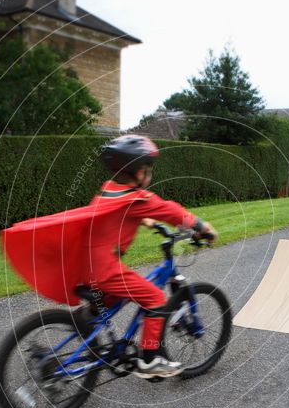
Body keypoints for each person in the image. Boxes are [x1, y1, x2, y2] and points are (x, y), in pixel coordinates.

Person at [82, 135, 217, 378]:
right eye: (148, 170)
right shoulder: (138, 198)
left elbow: (112, 213)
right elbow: (172, 211)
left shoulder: (108, 190)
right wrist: (203, 227)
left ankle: (83, 326)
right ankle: (149, 359)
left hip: (83, 265)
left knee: (108, 302)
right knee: (155, 297)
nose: (150, 174)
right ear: (138, 172)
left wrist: (143, 219)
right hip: (104, 269)